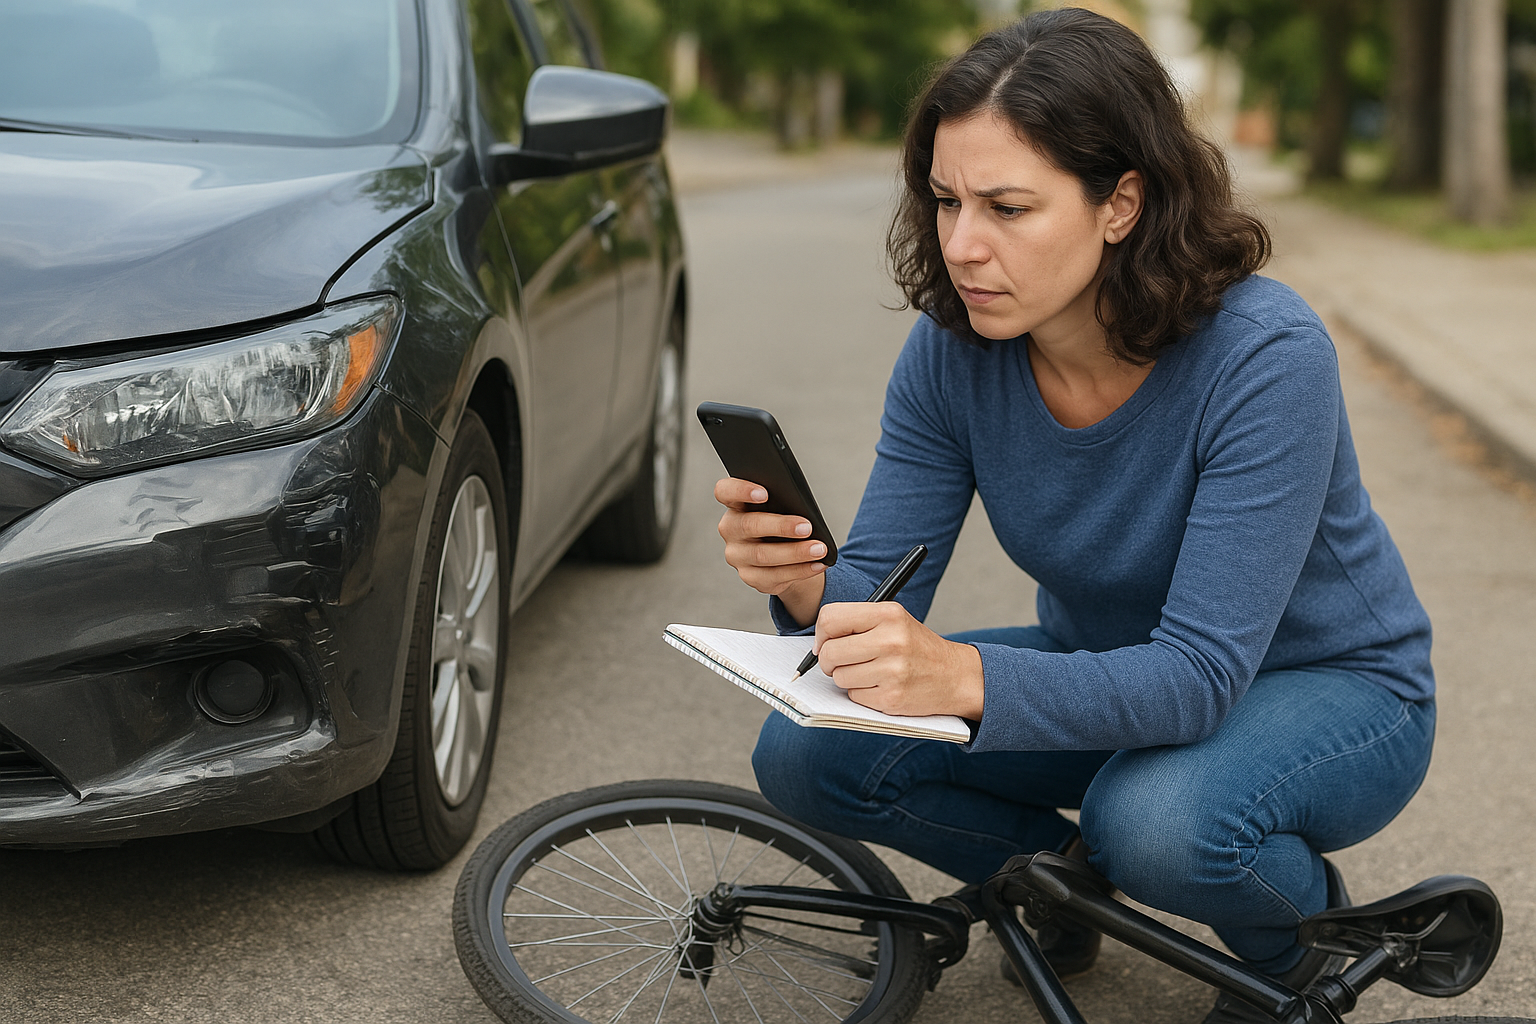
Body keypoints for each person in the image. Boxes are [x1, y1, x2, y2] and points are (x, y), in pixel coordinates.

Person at [712, 9, 1436, 1023]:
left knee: (1158, 820)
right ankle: (1058, 880)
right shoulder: (954, 352)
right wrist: (800, 585)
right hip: (1106, 674)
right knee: (808, 750)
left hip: (1329, 690)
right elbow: (879, 592)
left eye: (1008, 206)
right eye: (946, 200)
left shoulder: (1267, 356)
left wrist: (959, 674)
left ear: (1120, 203)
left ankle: (1301, 945)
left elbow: (1195, 678)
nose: (963, 245)